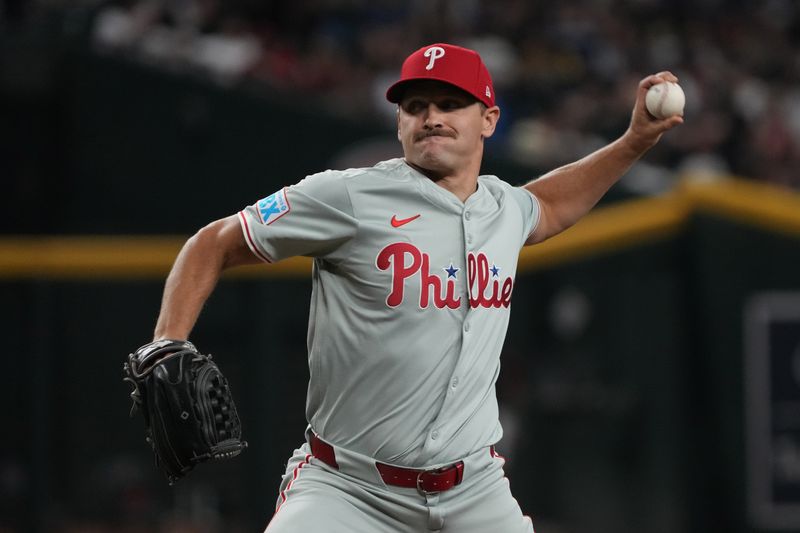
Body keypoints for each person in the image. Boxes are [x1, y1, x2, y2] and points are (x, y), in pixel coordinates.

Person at [151, 43, 682, 532]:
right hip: (347, 489)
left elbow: (553, 204)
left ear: (488, 120)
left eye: (451, 104)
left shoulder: (504, 209)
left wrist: (635, 141)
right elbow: (214, 242)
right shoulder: (349, 196)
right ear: (400, 121)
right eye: (416, 106)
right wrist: (166, 342)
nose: (431, 118)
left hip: (473, 490)